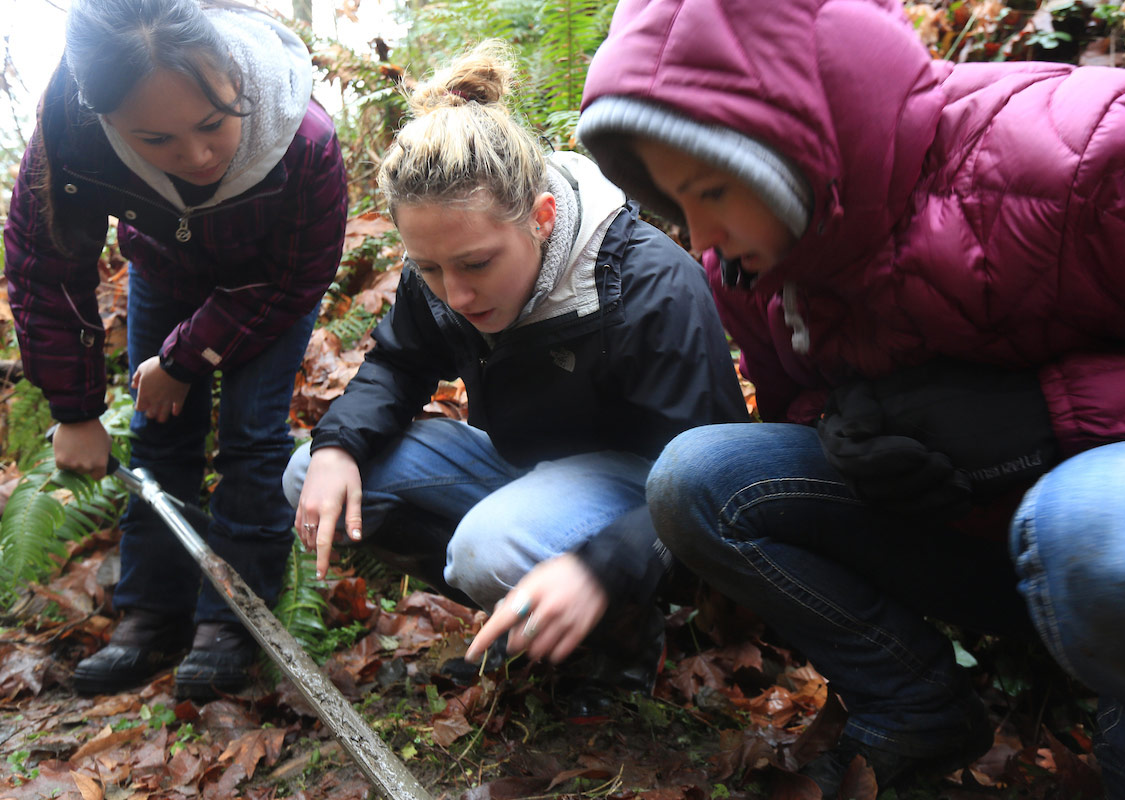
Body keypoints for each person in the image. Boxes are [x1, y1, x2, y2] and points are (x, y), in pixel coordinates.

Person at [576, 0, 1125, 797]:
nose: (701, 234)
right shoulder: (753, 269)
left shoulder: (1091, 150)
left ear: (801, 146)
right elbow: (795, 402)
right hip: (988, 549)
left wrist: (1053, 413)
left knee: (1095, 524)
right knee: (699, 479)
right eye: (676, 200)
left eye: (715, 189)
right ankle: (913, 709)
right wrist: (849, 438)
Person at [283, 40, 746, 700]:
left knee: (490, 549)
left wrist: (604, 568)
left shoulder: (647, 287)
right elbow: (399, 362)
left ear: (542, 218)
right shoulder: (444, 269)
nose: (457, 295)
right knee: (312, 470)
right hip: (523, 468)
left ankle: (622, 631)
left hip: (645, 495)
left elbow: (714, 478)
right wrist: (337, 445)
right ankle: (521, 612)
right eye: (429, 269)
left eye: (476, 264)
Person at [4, 0, 348, 701]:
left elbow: (297, 278)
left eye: (214, 124)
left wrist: (186, 359)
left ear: (233, 78)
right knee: (161, 437)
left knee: (252, 439)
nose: (195, 157)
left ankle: (230, 621)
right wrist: (75, 410)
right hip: (164, 268)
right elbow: (46, 265)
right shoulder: (71, 130)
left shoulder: (304, 138)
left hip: (267, 289)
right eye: (153, 139)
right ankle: (150, 614)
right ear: (104, 118)